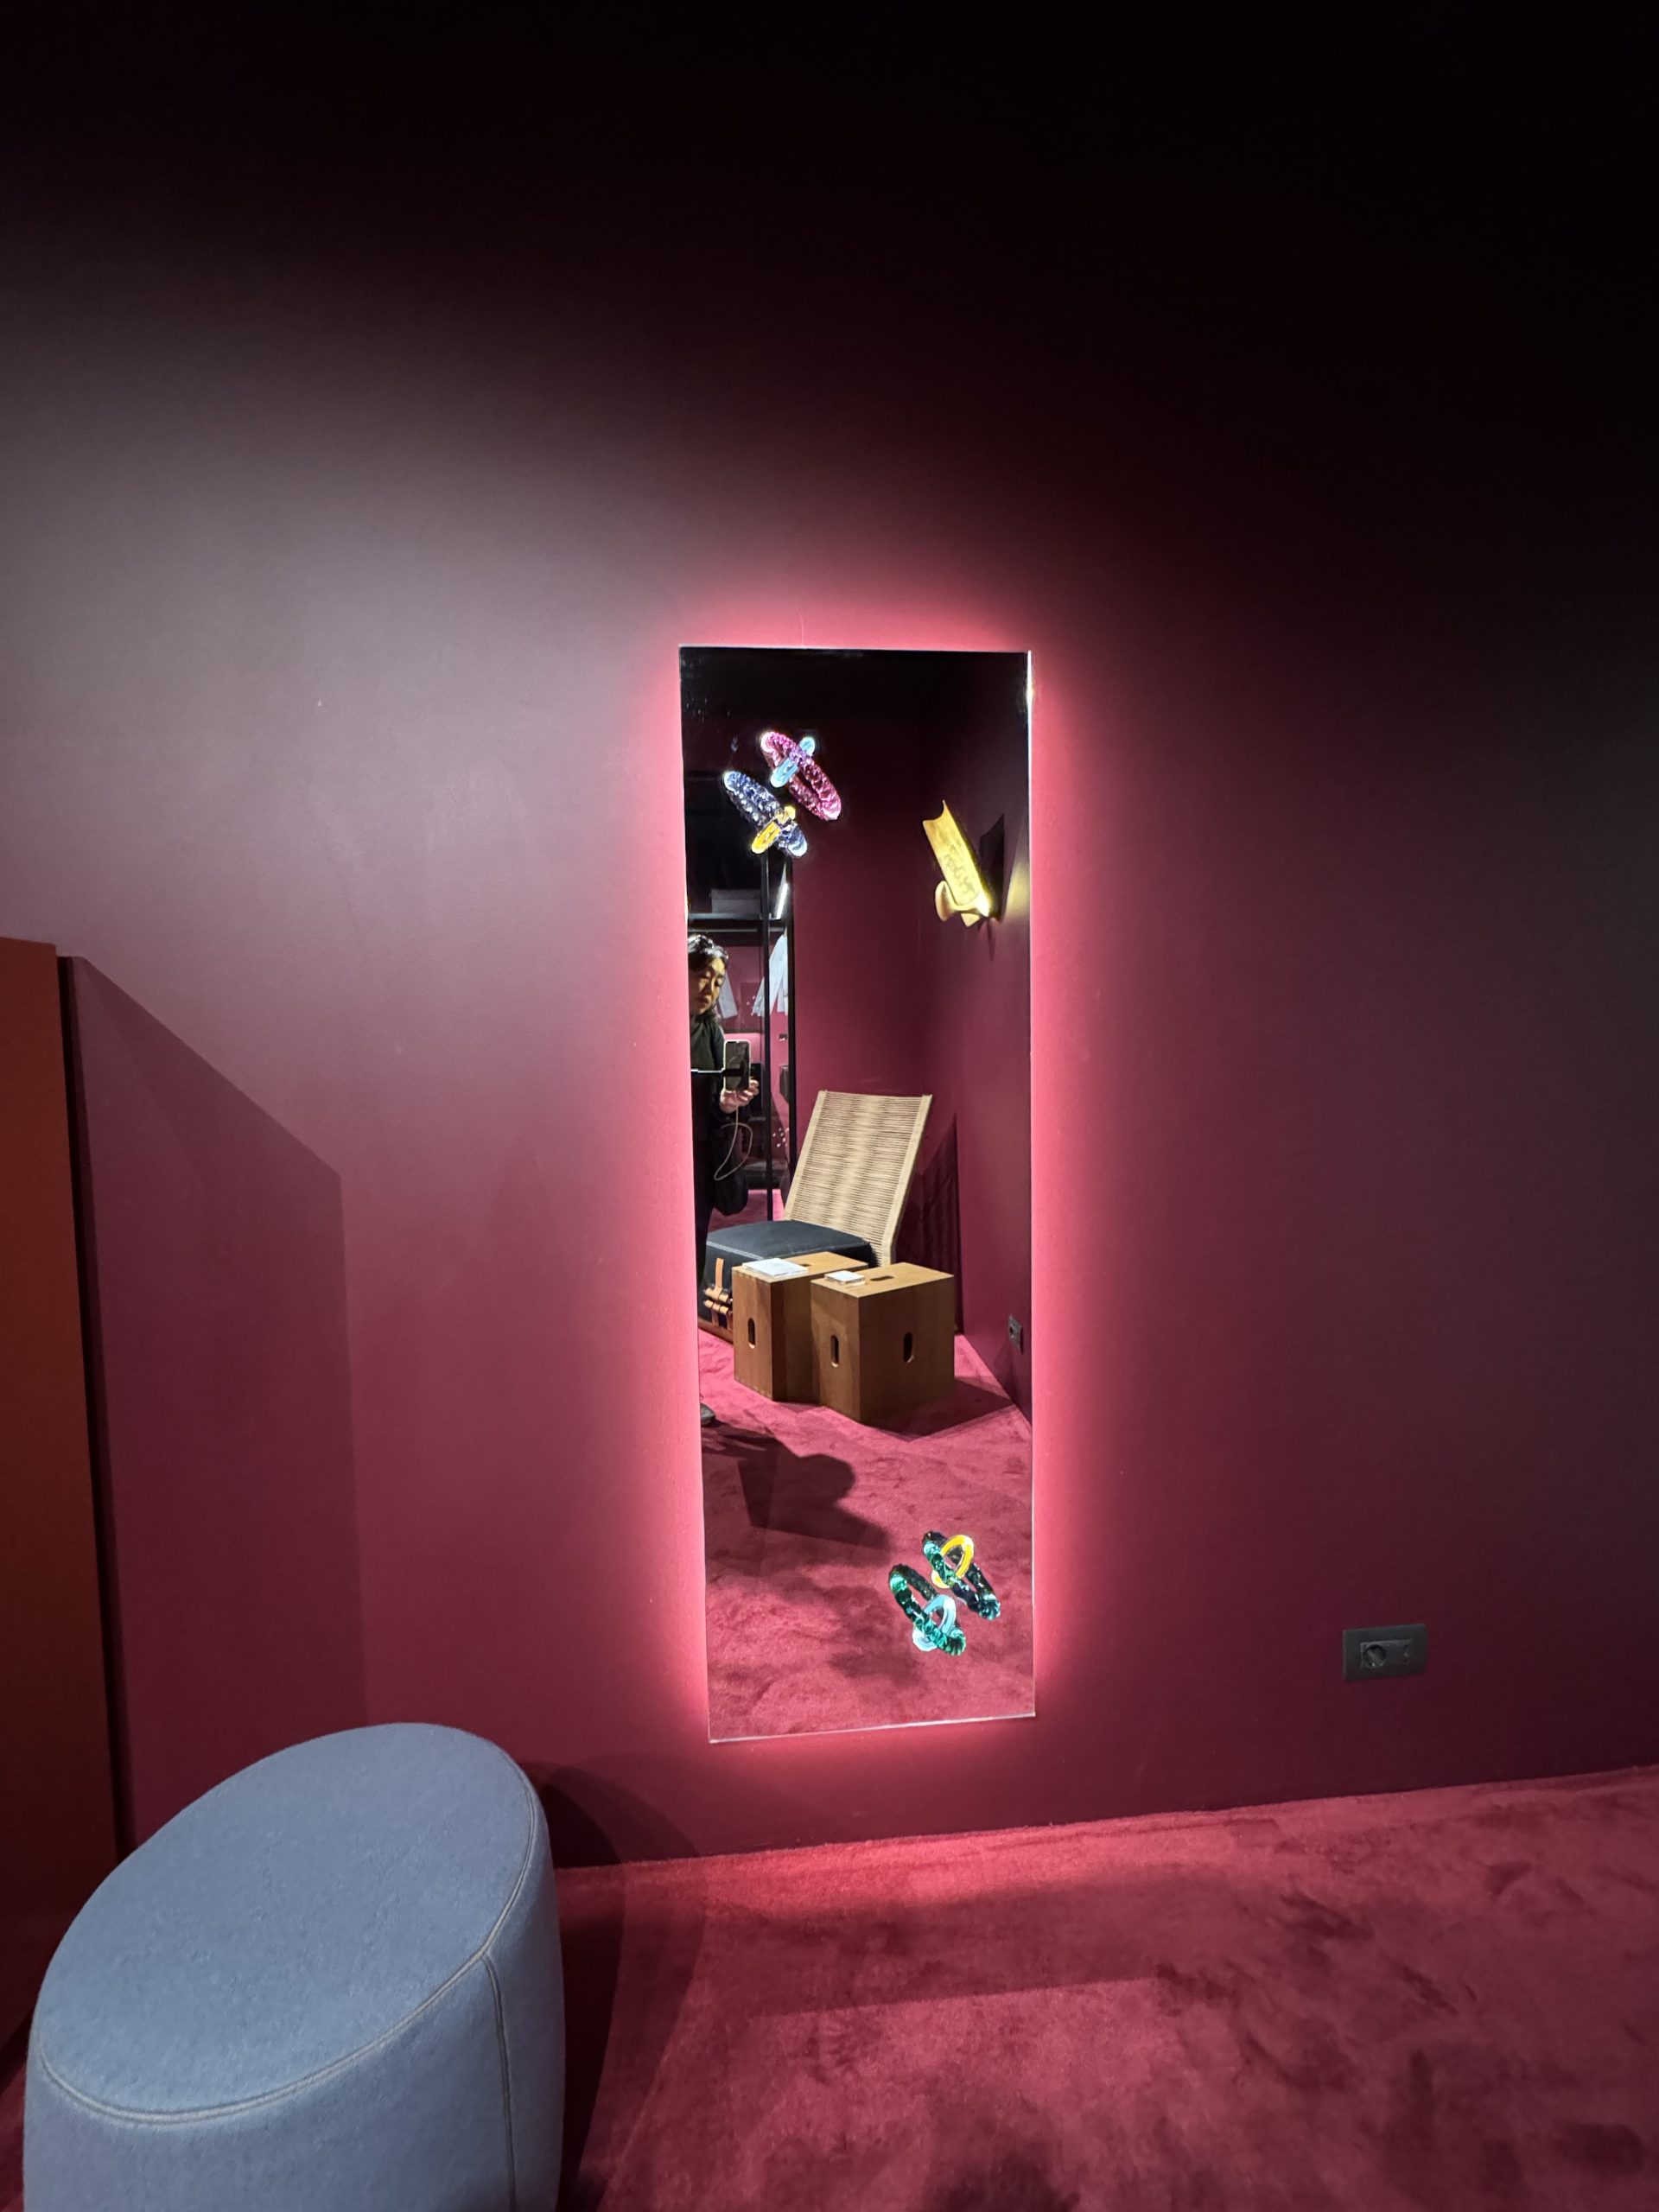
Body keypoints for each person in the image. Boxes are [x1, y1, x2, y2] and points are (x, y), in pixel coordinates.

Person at [689, 934, 759, 1426]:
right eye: (702, 976)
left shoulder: (711, 1030)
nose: (710, 989)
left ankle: (683, 1387)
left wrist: (728, 1103)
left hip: (696, 1165)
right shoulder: (654, 1019)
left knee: (691, 1270)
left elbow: (714, 1103)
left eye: (717, 981)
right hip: (657, 1165)